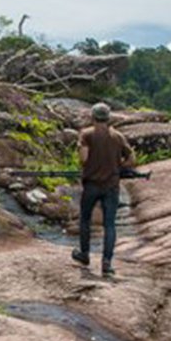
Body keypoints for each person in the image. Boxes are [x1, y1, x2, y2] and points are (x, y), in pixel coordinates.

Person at [72, 102, 135, 277]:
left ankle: (84, 254)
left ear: (93, 116)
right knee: (109, 225)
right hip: (111, 186)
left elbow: (83, 159)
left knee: (85, 219)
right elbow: (131, 160)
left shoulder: (86, 134)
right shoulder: (118, 137)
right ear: (108, 118)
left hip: (92, 184)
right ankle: (106, 262)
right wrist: (117, 167)